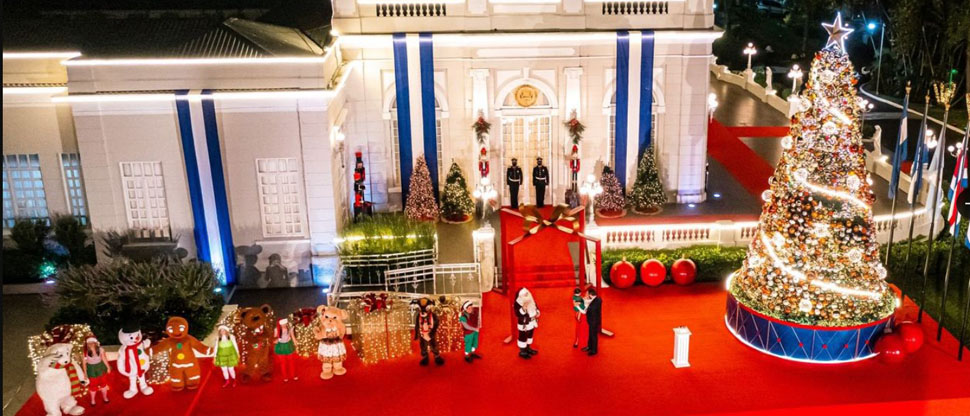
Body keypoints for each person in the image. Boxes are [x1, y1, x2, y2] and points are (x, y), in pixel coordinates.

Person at [414, 298, 444, 366]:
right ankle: (425, 357)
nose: (423, 312)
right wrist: (416, 333)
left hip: (431, 333)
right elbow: (417, 325)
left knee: (434, 345)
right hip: (422, 333)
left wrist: (433, 332)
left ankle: (437, 356)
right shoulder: (419, 316)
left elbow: (436, 323)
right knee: (423, 346)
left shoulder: (433, 315)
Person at [82, 336, 111, 406]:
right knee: (93, 385)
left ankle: (105, 397)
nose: (91, 344)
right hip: (91, 369)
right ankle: (93, 399)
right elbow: (84, 364)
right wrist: (85, 373)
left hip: (100, 368)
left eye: (92, 342)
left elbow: (104, 358)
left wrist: (108, 367)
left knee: (103, 383)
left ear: (95, 343)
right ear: (87, 344)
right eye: (89, 343)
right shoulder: (85, 352)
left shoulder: (100, 350)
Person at [514, 288, 540, 359]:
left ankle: (528, 348)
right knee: (523, 337)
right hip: (524, 323)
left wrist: (537, 312)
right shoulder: (518, 303)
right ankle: (523, 351)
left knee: (529, 336)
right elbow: (517, 313)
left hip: (532, 322)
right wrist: (523, 309)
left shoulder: (531, 300)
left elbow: (535, 306)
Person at [584, 288, 602, 356]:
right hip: (592, 320)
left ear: (590, 294)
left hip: (594, 321)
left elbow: (589, 309)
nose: (586, 294)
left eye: (587, 293)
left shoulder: (596, 302)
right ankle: (589, 347)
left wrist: (585, 303)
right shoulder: (597, 299)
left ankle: (594, 350)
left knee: (593, 335)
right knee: (590, 334)